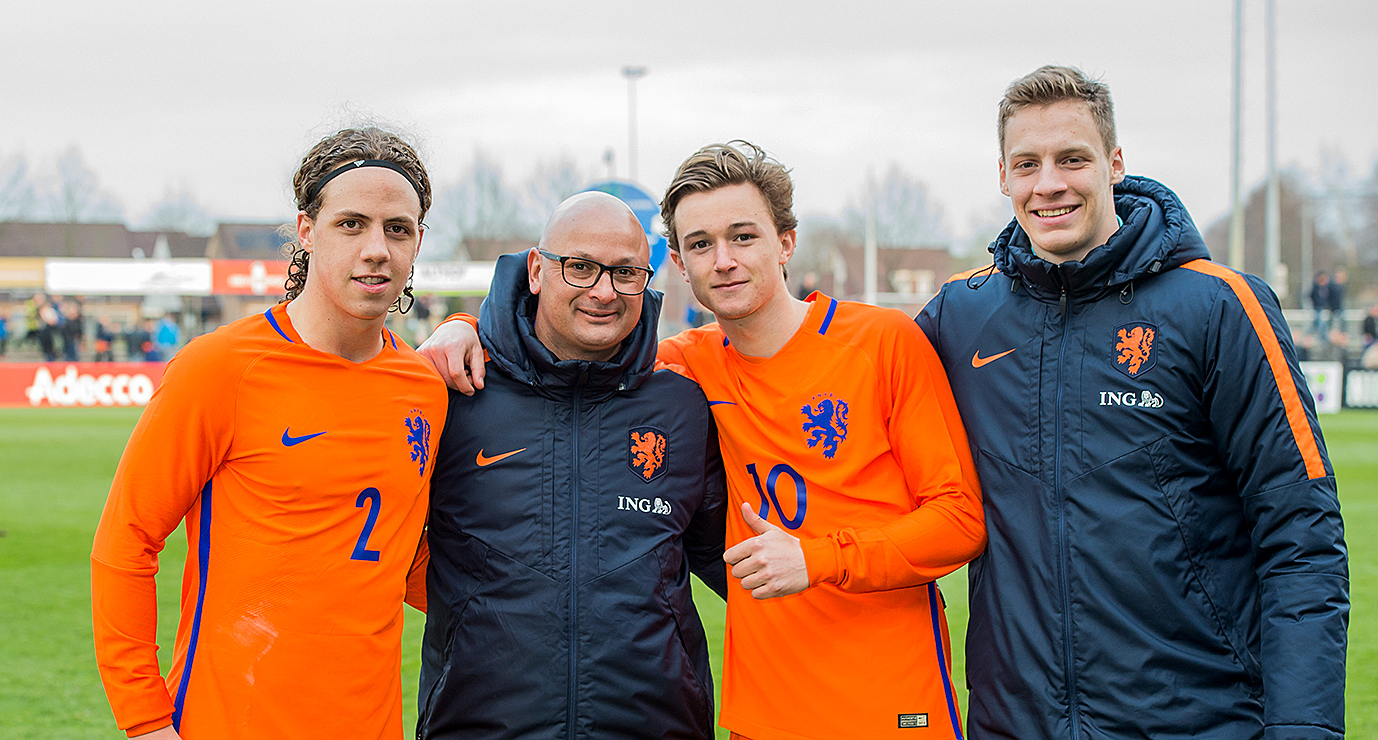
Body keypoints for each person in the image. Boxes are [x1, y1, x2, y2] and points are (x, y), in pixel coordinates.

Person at [422, 141, 985, 739]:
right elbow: (567, 363)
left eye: (743, 236)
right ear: (679, 266)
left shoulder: (883, 342)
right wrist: (464, 327)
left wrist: (818, 559)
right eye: (699, 244)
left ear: (786, 243)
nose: (723, 260)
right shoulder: (681, 369)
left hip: (888, 703)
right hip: (760, 714)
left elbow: (960, 520)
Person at [916, 66, 1347, 740]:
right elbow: (846, 395)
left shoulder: (1218, 305)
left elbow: (1302, 537)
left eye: (1072, 159)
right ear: (1002, 175)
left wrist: (1305, 729)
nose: (1049, 183)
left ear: (1115, 164)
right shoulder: (959, 317)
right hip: (1013, 723)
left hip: (1199, 723)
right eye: (1027, 163)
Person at [91, 126, 447, 740]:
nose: (376, 249)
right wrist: (145, 720)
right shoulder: (220, 370)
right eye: (351, 223)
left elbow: (407, 564)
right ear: (306, 231)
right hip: (229, 721)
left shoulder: (424, 388)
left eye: (398, 229)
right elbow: (126, 541)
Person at [414, 192, 728, 739]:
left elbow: (725, 558)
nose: (604, 292)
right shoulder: (454, 393)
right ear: (536, 269)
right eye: (580, 267)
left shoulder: (683, 405)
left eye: (626, 273)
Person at [1309, 271, 1333, 336]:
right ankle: (1319, 336)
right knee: (1319, 321)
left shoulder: (1329, 288)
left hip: (1327, 308)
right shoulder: (1315, 288)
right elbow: (1311, 296)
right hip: (1318, 308)